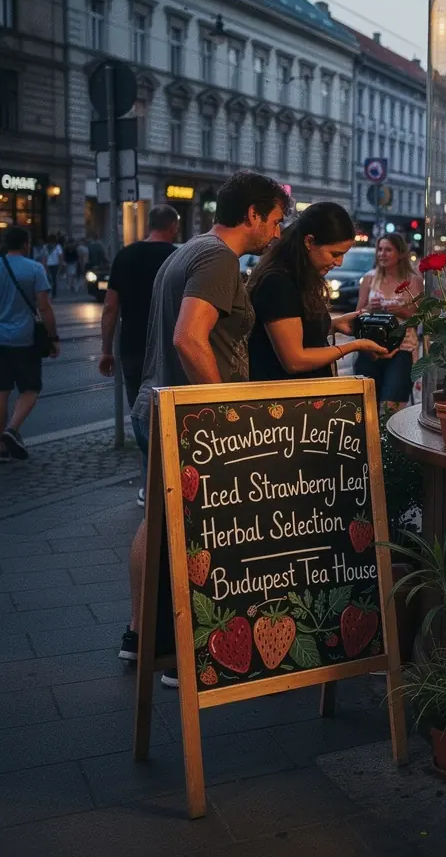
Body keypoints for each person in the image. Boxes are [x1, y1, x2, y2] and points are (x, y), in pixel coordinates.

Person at [119, 171, 290, 685]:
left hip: (157, 405)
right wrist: (222, 410)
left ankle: (139, 637)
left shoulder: (190, 249)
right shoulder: (218, 259)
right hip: (191, 418)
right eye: (275, 220)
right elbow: (189, 338)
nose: (277, 232)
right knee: (194, 534)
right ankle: (180, 654)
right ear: (253, 214)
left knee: (157, 521)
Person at [247, 201, 390, 381]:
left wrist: (334, 324)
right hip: (290, 394)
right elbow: (295, 360)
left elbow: (299, 332)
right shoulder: (279, 283)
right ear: (309, 242)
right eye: (335, 254)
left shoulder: (298, 277)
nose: (339, 263)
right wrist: (354, 346)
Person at [98, 204, 180, 505]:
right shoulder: (177, 257)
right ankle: (169, 484)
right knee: (171, 417)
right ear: (173, 226)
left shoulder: (125, 256)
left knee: (143, 416)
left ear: (150, 225)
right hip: (169, 348)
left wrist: (106, 350)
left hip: (132, 348)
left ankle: (149, 484)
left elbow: (110, 308)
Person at [0, 226, 59, 461]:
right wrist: (53, 337)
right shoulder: (34, 269)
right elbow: (44, 307)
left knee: (2, 390)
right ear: (26, 244)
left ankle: (1, 446)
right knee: (30, 389)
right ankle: (11, 429)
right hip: (25, 339)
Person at [354, 233, 423, 408]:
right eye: (380, 249)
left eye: (388, 250)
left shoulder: (413, 280)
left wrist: (401, 311)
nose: (382, 254)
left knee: (391, 403)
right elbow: (357, 315)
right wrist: (370, 308)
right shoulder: (369, 278)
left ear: (400, 253)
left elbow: (419, 317)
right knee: (367, 402)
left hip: (402, 346)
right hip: (371, 346)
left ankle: (388, 427)